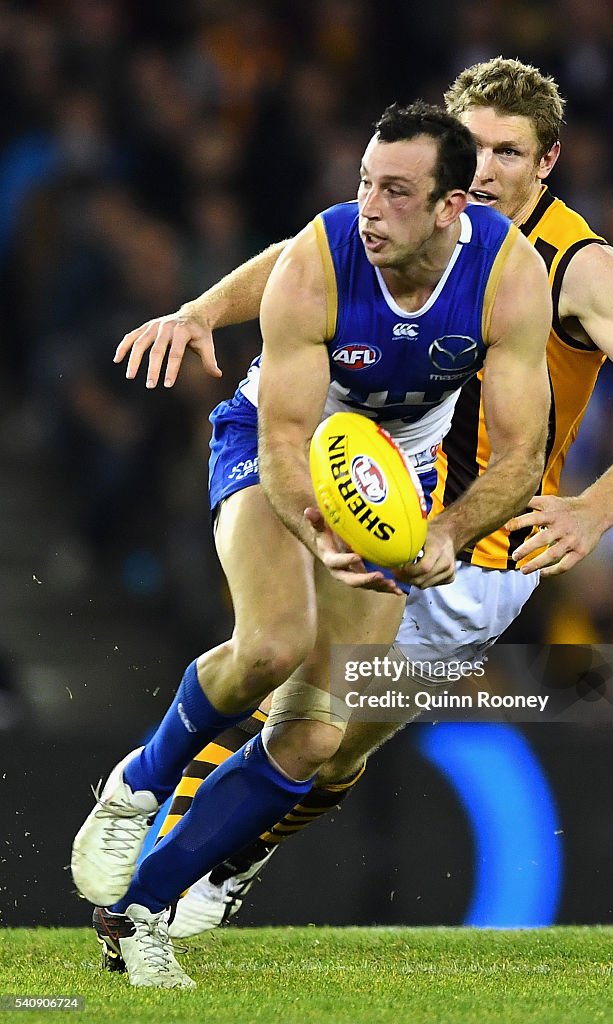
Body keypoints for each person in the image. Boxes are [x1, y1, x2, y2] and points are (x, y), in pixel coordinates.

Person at [102, 57, 613, 946]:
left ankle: (230, 859)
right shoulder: (408, 217)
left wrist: (594, 510)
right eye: (471, 146)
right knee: (285, 678)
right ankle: (141, 886)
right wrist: (204, 310)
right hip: (375, 497)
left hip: (485, 556)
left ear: (545, 163)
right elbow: (306, 259)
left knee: (339, 751)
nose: (484, 170)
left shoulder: (574, 267)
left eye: (508, 153)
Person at [71, 99, 552, 988]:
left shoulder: (510, 276)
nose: (371, 207)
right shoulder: (318, 260)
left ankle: (135, 911)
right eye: (366, 183)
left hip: (398, 478)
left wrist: (449, 531)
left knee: (316, 736)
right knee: (273, 643)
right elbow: (288, 439)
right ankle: (137, 784)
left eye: (398, 192)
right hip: (271, 445)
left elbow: (524, 454)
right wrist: (315, 534)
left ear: (453, 207)